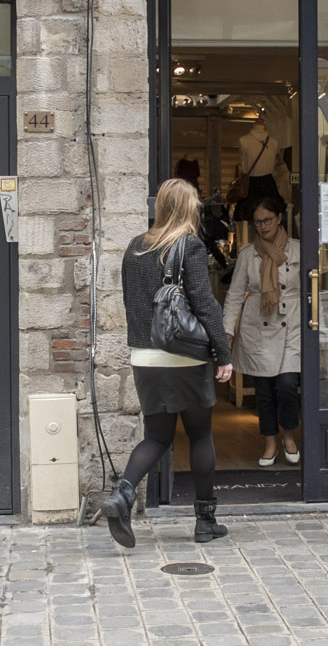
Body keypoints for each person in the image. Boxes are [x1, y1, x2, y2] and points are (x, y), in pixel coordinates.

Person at [100, 178, 234, 548]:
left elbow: (132, 304)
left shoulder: (134, 248)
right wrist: (223, 355)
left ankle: (122, 494)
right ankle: (205, 522)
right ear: (188, 208)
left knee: (157, 436)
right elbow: (205, 304)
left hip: (145, 355)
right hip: (185, 355)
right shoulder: (188, 245)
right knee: (200, 435)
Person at [221, 195, 302, 468]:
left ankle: (289, 436)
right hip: (258, 326)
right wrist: (227, 332)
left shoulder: (299, 250)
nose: (263, 226)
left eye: (267, 220)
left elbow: (311, 288)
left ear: (280, 218)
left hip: (291, 324)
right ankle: (270, 442)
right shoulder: (247, 254)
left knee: (288, 386)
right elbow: (233, 295)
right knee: (265, 391)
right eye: (258, 222)